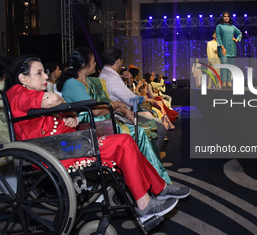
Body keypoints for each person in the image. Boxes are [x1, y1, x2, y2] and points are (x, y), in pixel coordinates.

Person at [5, 55, 190, 221]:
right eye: (39, 73)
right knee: (123, 142)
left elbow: (51, 114)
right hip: (58, 149)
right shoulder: (17, 93)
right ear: (23, 78)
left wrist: (70, 116)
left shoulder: (29, 93)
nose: (46, 76)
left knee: (126, 141)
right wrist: (64, 105)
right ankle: (144, 203)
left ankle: (159, 187)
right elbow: (52, 101)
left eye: (44, 72)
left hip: (65, 144)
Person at [58, 47, 171, 183]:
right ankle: (153, 178)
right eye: (93, 61)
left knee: (143, 131)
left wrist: (122, 108)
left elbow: (107, 103)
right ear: (84, 65)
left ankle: (149, 173)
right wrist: (118, 105)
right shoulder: (72, 84)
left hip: (102, 123)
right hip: (88, 130)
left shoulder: (92, 82)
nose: (95, 64)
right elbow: (95, 110)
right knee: (140, 132)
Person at [98, 47, 168, 150]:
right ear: (117, 61)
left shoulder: (105, 74)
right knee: (160, 129)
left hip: (120, 114)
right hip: (120, 117)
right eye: (122, 60)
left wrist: (130, 81)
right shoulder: (112, 78)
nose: (122, 63)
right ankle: (151, 161)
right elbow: (132, 101)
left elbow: (129, 97)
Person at [216, 11, 242, 89]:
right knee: (224, 65)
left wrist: (237, 39)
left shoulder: (233, 27)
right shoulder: (219, 26)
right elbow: (218, 37)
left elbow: (240, 33)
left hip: (232, 49)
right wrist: (222, 47)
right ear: (222, 18)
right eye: (225, 16)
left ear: (229, 18)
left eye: (227, 16)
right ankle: (223, 82)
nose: (226, 17)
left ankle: (229, 82)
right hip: (223, 50)